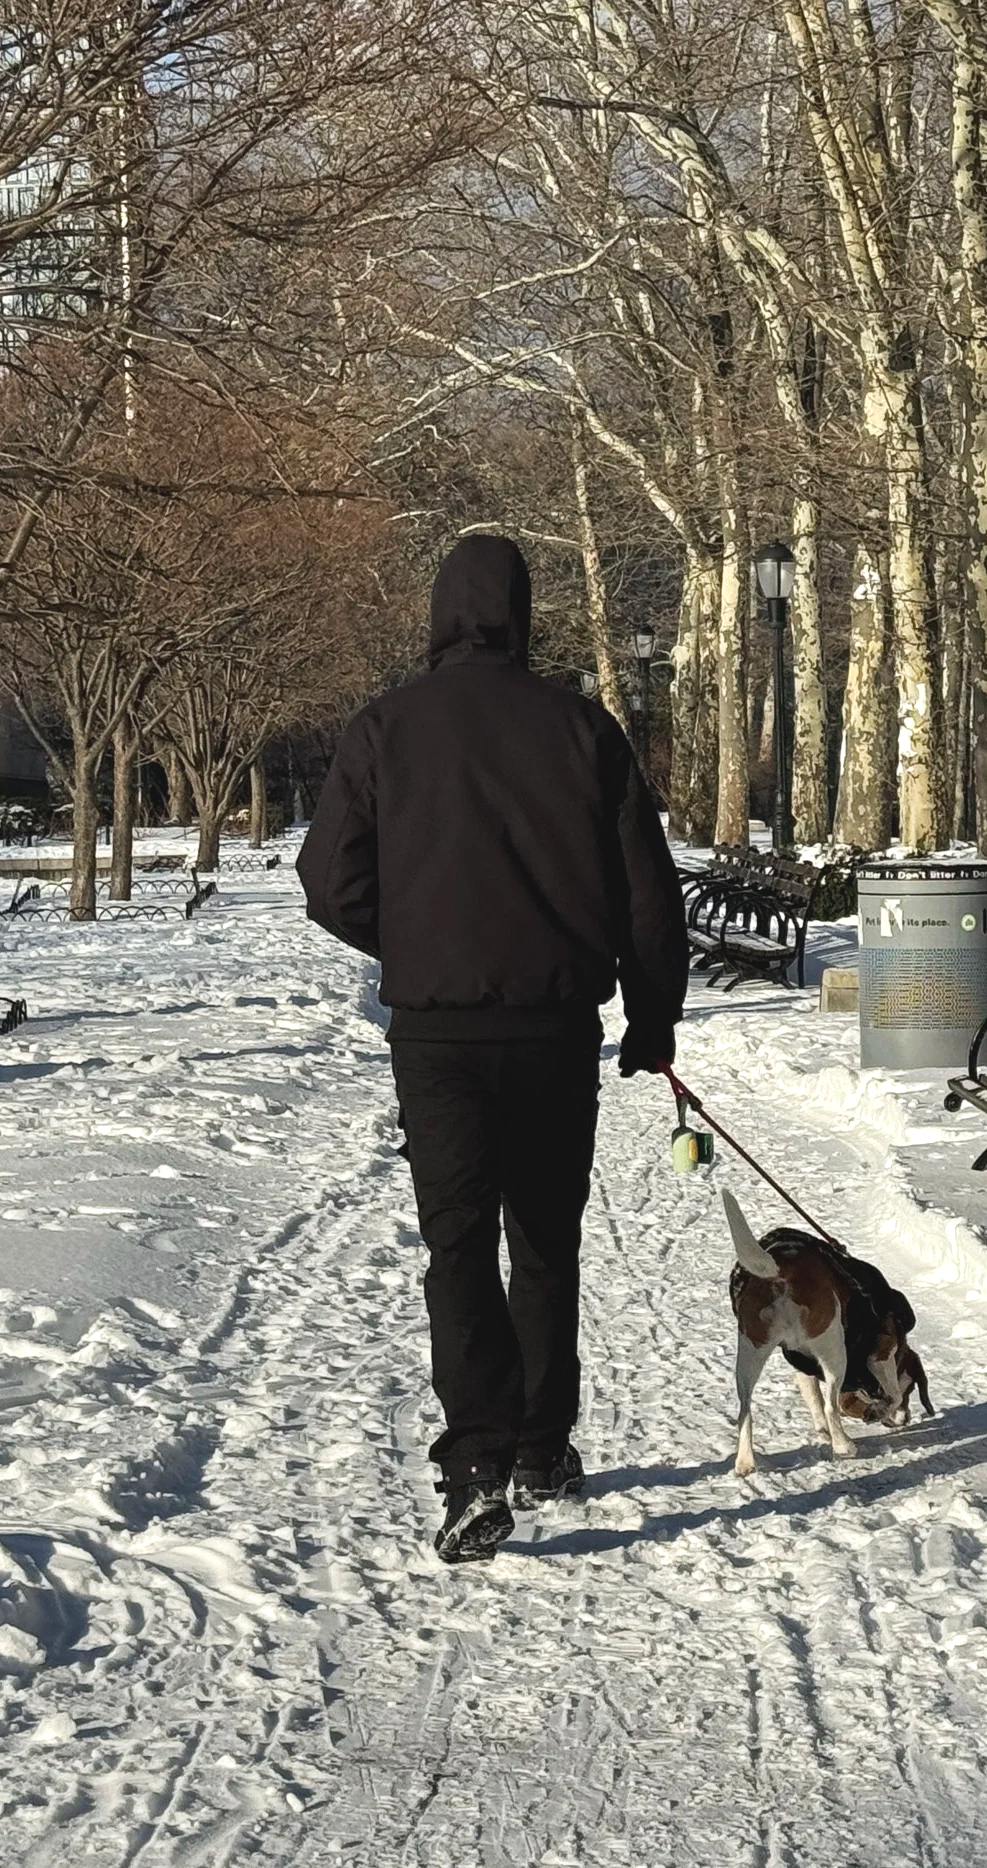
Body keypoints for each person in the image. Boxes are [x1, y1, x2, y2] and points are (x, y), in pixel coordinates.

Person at [298, 533, 688, 1564]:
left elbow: (327, 883)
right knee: (546, 1243)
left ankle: (474, 1461)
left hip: (438, 1036)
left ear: (437, 613)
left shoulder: (385, 730)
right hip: (557, 1027)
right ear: (523, 615)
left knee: (458, 1245)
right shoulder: (581, 730)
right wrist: (652, 1020)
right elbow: (647, 896)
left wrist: (416, 940)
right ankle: (541, 1445)